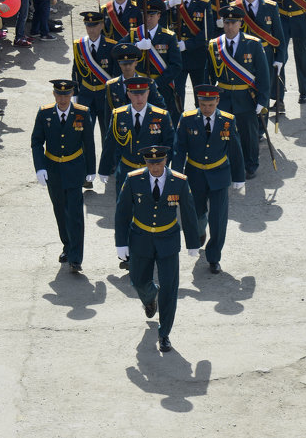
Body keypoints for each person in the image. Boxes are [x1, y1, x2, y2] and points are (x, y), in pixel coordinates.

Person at [114, 144, 200, 353]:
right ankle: (150, 296)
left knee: (169, 289)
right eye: (150, 163)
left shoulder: (179, 181)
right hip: (140, 238)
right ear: (146, 162)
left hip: (168, 240)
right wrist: (121, 242)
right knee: (138, 280)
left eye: (159, 163)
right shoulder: (134, 179)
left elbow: (188, 212)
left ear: (165, 160)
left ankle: (164, 334)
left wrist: (193, 243)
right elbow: (122, 211)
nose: (154, 168)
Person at [172, 84, 245, 273]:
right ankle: (199, 231)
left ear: (217, 102)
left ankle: (214, 257)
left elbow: (235, 150)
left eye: (210, 105)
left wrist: (239, 177)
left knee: (219, 219)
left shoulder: (227, 121)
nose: (206, 109)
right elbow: (179, 150)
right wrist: (176, 175)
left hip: (219, 174)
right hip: (195, 174)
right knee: (196, 213)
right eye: (203, 105)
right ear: (198, 102)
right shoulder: (187, 120)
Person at [31, 79, 96, 273]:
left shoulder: (82, 113)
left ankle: (76, 257)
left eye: (66, 94)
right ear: (54, 95)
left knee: (75, 213)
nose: (62, 98)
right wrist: (40, 167)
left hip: (74, 168)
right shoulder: (45, 113)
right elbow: (36, 141)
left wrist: (91, 169)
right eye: (59, 95)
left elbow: (89, 143)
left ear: (71, 94)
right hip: (52, 169)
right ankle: (67, 245)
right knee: (60, 210)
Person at [205, 4, 270, 180]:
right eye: (227, 23)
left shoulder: (253, 44)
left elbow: (263, 75)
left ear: (240, 23)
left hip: (246, 97)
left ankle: (250, 165)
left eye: (233, 23)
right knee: (224, 134)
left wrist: (262, 101)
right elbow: (208, 75)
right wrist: (205, 101)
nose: (230, 26)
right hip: (223, 98)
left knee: (249, 135)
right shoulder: (214, 45)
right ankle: (226, 164)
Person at [98, 76, 174, 196]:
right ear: (128, 94)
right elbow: (110, 143)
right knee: (124, 211)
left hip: (151, 172)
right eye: (135, 94)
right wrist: (104, 169)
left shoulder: (161, 116)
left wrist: (161, 167)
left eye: (142, 94)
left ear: (148, 93)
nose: (139, 98)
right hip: (126, 171)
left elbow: (170, 145)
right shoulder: (119, 115)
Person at [121, 0, 182, 127]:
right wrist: (136, 46)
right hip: (138, 87)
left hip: (162, 87)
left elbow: (176, 66)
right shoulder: (134, 34)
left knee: (163, 125)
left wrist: (156, 83)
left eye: (152, 15)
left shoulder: (169, 36)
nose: (148, 18)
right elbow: (118, 49)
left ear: (159, 15)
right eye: (145, 15)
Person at [235, 0, 286, 109]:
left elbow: (279, 35)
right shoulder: (235, 7)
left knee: (265, 86)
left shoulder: (270, 7)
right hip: (243, 53)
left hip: (266, 53)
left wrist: (280, 58)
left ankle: (262, 115)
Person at [72, 10, 117, 141]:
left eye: (94, 25)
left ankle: (106, 162)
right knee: (84, 136)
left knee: (107, 136)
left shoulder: (111, 46)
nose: (90, 29)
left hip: (105, 95)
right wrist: (75, 94)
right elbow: (76, 71)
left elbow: (115, 73)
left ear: (102, 25)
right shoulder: (79, 45)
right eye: (88, 25)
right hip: (86, 95)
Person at [173, 0, 213, 109]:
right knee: (177, 94)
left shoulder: (204, 4)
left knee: (201, 94)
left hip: (197, 56)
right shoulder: (173, 3)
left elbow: (207, 33)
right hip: (178, 57)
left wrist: (187, 44)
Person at [105, 44, 166, 120]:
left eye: (130, 63)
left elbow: (160, 107)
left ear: (136, 63)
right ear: (119, 64)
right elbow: (108, 115)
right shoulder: (111, 85)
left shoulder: (147, 83)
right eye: (124, 64)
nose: (127, 67)